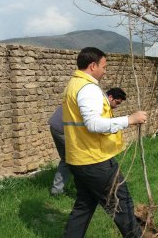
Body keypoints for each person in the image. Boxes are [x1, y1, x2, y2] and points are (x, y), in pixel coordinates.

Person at [62, 47, 147, 238]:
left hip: (79, 158)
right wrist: (129, 119)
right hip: (95, 160)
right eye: (103, 66)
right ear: (93, 66)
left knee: (83, 208)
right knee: (121, 204)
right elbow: (93, 123)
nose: (105, 70)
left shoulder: (74, 84)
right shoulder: (88, 88)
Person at [48, 87, 128, 196]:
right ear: (110, 97)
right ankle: (85, 191)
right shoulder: (99, 102)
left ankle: (58, 190)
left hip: (57, 125)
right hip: (63, 129)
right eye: (117, 103)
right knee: (78, 159)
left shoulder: (98, 98)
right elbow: (94, 125)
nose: (116, 106)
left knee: (68, 159)